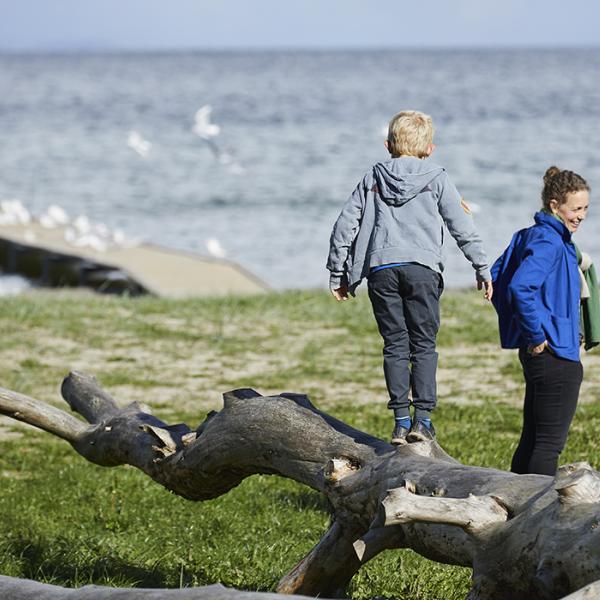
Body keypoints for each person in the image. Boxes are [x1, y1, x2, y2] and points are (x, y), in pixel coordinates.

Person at [326, 110, 492, 445]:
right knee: (424, 345)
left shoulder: (373, 176)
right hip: (423, 270)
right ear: (430, 148)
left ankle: (401, 422)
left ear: (388, 145)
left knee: (395, 345)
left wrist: (338, 271)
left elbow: (346, 225)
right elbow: (462, 227)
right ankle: (423, 421)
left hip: (382, 270)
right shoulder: (437, 177)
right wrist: (482, 267)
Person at [491, 166, 598, 476]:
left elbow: (495, 276)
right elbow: (518, 286)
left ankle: (514, 509)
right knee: (549, 446)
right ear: (554, 205)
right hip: (555, 354)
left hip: (540, 353)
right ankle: (538, 518)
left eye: (586, 209)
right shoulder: (551, 242)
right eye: (575, 209)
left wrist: (524, 334)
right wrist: (536, 335)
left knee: (533, 440)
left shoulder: (529, 235)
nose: (580, 216)